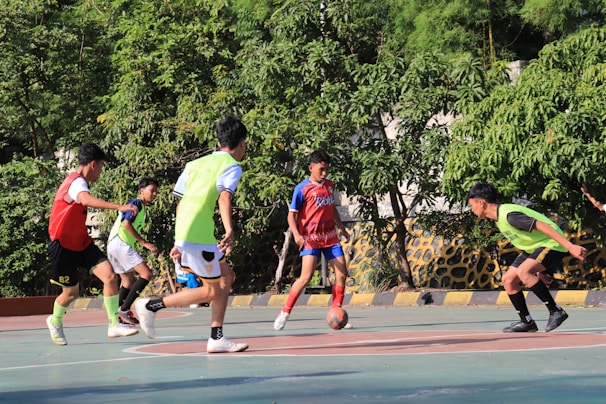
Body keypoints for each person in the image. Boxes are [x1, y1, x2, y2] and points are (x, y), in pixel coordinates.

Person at [136, 116, 249, 353]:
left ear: (218, 143)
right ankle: (151, 306)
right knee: (211, 290)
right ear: (242, 143)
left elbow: (181, 203)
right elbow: (224, 196)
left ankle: (216, 337)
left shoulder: (193, 165)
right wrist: (229, 229)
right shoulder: (232, 165)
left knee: (226, 276)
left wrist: (179, 239)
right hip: (198, 233)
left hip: (191, 230)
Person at [46, 143, 139, 345]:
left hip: (81, 242)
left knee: (110, 276)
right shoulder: (76, 183)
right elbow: (85, 200)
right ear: (94, 164)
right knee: (71, 294)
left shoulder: (79, 181)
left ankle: (114, 324)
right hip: (62, 245)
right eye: (102, 167)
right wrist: (118, 207)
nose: (101, 171)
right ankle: (55, 321)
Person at [466, 181, 587, 332]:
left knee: (524, 271)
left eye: (472, 205)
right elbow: (527, 241)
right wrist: (537, 268)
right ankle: (527, 322)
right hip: (535, 248)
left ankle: (556, 311)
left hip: (551, 243)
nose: (472, 210)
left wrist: (570, 246)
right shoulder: (499, 218)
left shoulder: (509, 215)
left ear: (482, 203)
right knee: (508, 280)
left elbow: (543, 226)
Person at [273, 149, 352, 331]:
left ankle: (337, 312)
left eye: (327, 170)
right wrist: (297, 235)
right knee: (306, 277)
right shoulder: (301, 189)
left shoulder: (329, 185)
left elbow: (331, 209)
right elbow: (291, 217)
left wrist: (342, 228)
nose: (324, 173)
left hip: (330, 237)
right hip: (311, 239)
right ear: (311, 168)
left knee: (341, 273)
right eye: (321, 169)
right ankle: (285, 312)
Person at [106, 176, 159, 325]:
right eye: (152, 190)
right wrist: (144, 243)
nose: (154, 194)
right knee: (146, 274)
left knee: (128, 280)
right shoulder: (136, 204)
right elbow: (126, 225)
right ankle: (125, 308)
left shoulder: (141, 208)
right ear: (142, 190)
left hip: (114, 244)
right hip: (120, 243)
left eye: (156, 191)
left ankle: (117, 315)